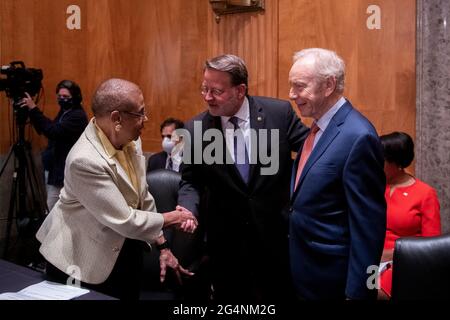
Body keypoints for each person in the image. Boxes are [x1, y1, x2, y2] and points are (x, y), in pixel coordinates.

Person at [35, 78, 198, 300]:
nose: (145, 119)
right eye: (140, 113)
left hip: (124, 252)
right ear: (117, 118)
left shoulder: (131, 140)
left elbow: (143, 197)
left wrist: (163, 246)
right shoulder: (84, 160)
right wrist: (175, 217)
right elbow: (126, 220)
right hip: (80, 262)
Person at [178, 54, 309, 301]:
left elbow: (310, 156)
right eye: (204, 88)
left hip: (276, 236)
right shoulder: (196, 128)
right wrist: (187, 208)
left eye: (216, 91)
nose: (207, 97)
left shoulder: (278, 113)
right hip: (226, 243)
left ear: (240, 90)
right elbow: (190, 181)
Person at [288, 48, 386, 300]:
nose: (291, 95)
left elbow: (368, 227)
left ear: (329, 85)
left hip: (333, 281)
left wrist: (359, 293)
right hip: (303, 273)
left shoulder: (358, 136)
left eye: (299, 86)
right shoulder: (317, 128)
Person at [378, 131, 441, 299]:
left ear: (397, 162)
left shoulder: (425, 193)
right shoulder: (373, 188)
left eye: (381, 159)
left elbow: (431, 246)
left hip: (402, 263)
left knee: (371, 292)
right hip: (368, 259)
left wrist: (393, 253)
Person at [20, 80, 88, 210]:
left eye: (66, 97)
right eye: (60, 96)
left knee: (53, 209)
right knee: (51, 208)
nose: (62, 99)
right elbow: (48, 128)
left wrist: (33, 109)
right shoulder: (65, 112)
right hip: (55, 169)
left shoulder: (77, 116)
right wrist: (31, 111)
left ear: (76, 97)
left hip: (64, 173)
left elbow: (53, 131)